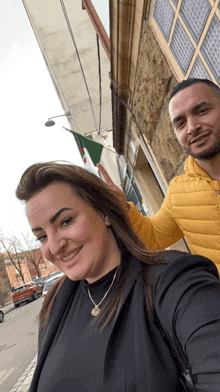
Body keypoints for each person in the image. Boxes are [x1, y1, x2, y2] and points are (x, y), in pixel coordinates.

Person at [15, 161, 220, 391]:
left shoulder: (176, 282)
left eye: (66, 221)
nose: (54, 246)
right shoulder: (56, 302)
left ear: (104, 213)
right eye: (42, 236)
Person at [98, 78, 220, 273]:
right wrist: (123, 209)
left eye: (202, 111)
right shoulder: (179, 192)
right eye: (180, 123)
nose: (192, 127)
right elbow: (154, 238)